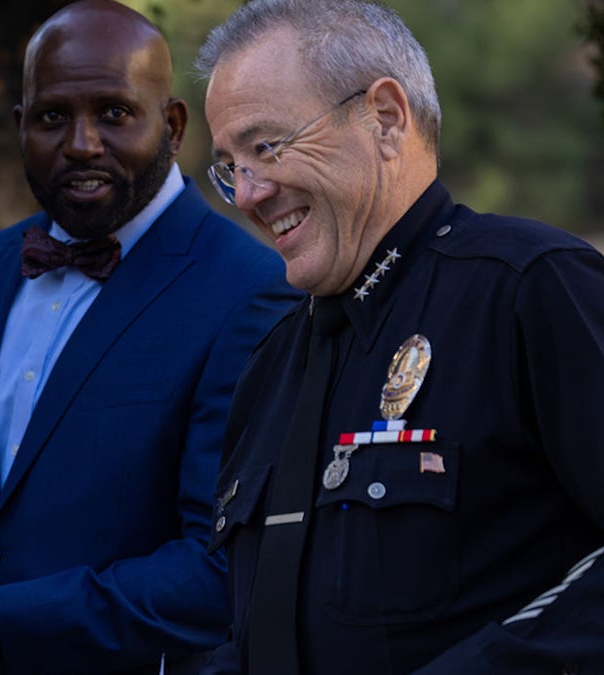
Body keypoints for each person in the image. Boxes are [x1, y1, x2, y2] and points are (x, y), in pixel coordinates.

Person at [0, 1, 301, 673]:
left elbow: (219, 568)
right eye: (52, 117)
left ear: (174, 125)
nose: (82, 143)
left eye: (115, 113)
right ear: (21, 126)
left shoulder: (248, 290)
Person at [194, 0, 604, 673]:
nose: (246, 194)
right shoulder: (268, 368)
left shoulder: (529, 288)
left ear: (384, 117)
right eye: (231, 166)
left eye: (265, 147)